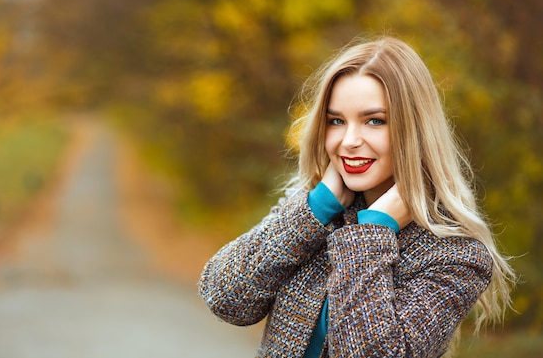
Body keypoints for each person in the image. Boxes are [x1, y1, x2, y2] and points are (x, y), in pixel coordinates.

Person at [198, 36, 514, 358]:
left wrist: (373, 232)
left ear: (414, 130)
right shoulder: (313, 207)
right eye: (336, 121)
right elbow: (225, 298)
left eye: (374, 121)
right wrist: (316, 208)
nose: (349, 140)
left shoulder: (456, 255)